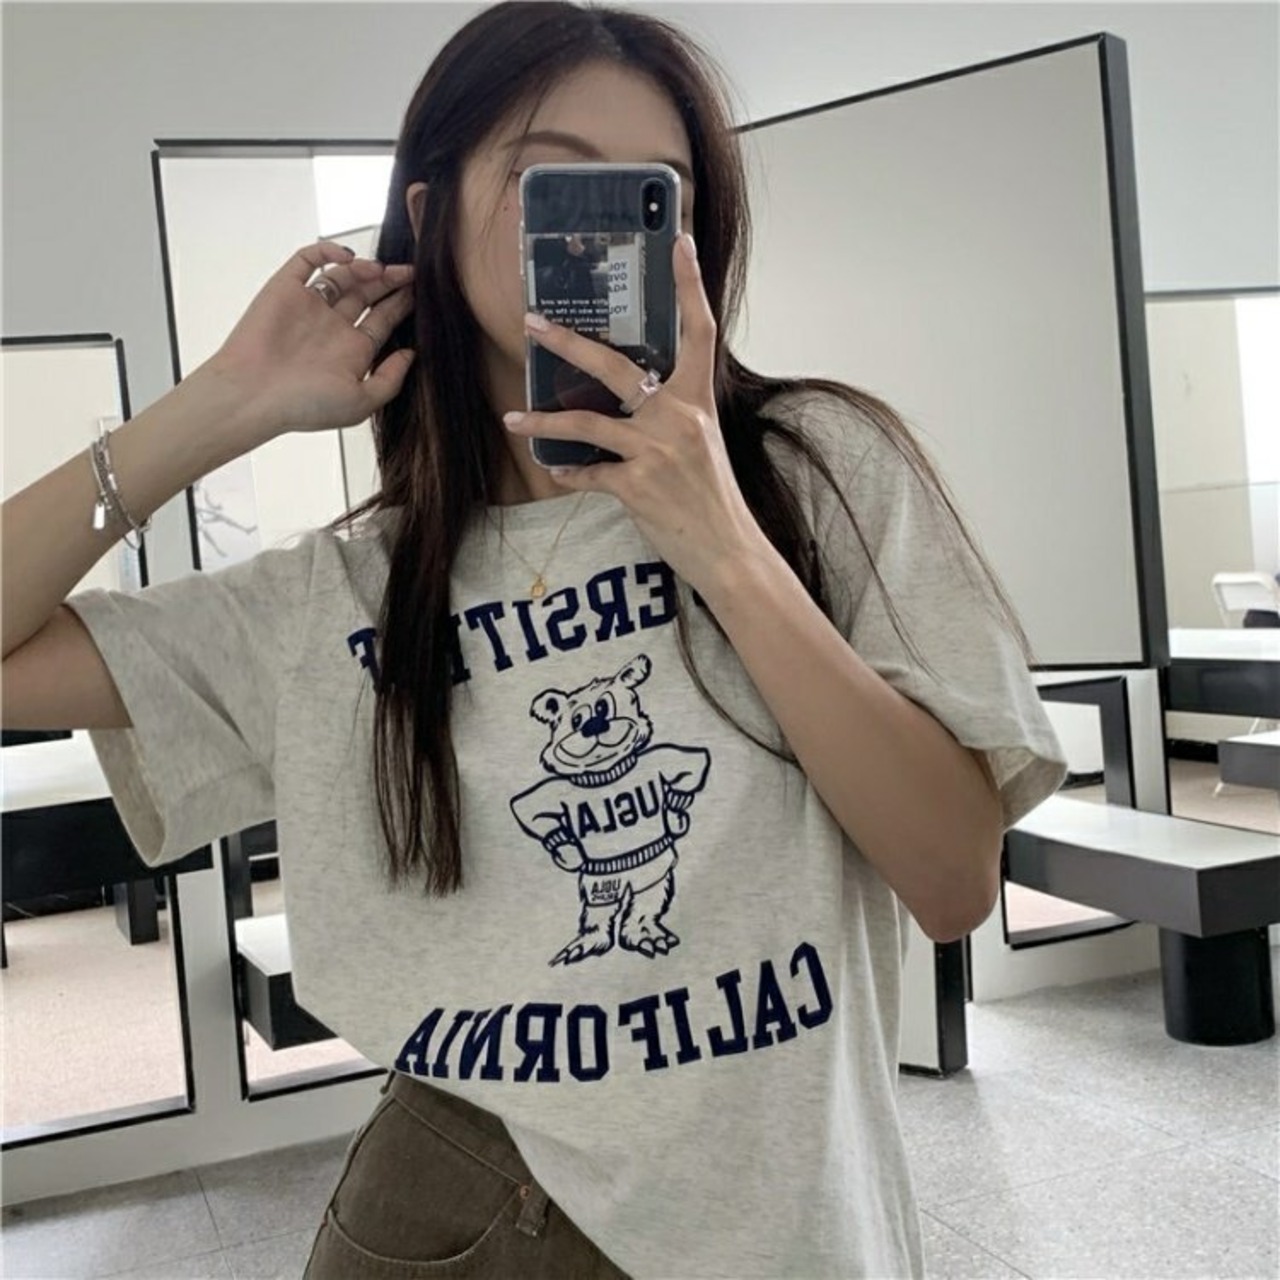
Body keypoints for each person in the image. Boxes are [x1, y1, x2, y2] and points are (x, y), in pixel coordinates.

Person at [1, 2, 1067, 1276]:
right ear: (430, 211)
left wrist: (721, 542)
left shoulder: (814, 472)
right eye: (549, 180)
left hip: (776, 1223)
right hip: (444, 1205)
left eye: (650, 194)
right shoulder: (346, 590)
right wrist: (224, 403)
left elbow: (952, 881)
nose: (596, 229)